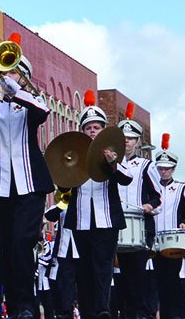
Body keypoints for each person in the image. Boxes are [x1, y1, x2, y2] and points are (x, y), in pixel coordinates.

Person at [0, 38, 53, 319]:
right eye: (4, 72)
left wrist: (17, 91)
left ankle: (27, 306)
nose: (6, 76)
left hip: (29, 185)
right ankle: (17, 308)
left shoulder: (30, 101)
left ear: (23, 76)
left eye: (13, 71)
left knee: (21, 243)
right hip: (0, 186)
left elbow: (42, 113)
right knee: (7, 248)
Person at [63, 103, 133, 319]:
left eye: (96, 127)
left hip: (106, 220)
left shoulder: (113, 154)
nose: (92, 131)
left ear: (103, 130)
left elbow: (127, 178)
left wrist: (113, 163)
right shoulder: (73, 154)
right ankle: (88, 311)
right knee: (83, 269)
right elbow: (62, 186)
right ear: (82, 131)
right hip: (81, 219)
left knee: (103, 266)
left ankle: (103, 308)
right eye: (88, 127)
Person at [114, 105, 160, 319]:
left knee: (138, 275)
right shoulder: (112, 165)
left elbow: (157, 195)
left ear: (138, 141)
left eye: (131, 138)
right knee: (122, 275)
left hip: (141, 227)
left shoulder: (146, 165)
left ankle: (139, 314)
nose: (127, 141)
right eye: (124, 137)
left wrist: (150, 206)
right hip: (119, 225)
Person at [152, 135, 185, 319]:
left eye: (167, 169)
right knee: (160, 283)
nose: (164, 172)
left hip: (175, 243)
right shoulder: (151, 188)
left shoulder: (183, 188)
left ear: (173, 169)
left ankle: (179, 316)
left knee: (176, 282)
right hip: (156, 243)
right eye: (160, 168)